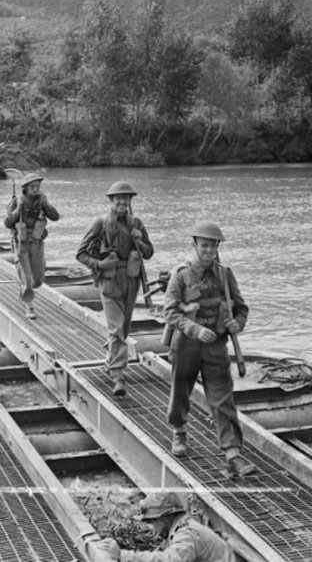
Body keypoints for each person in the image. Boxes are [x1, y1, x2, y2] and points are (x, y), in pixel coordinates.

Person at [164, 221, 255, 479]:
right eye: (204, 245)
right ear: (195, 246)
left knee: (223, 398)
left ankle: (232, 454)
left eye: (213, 246)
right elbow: (170, 312)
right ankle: (179, 432)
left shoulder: (225, 275)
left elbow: (241, 308)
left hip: (216, 346)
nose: (209, 251)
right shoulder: (181, 275)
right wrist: (193, 329)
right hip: (187, 345)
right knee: (180, 391)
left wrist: (237, 323)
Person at [76, 181, 153, 397]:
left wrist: (140, 241)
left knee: (124, 328)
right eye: (118, 198)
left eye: (126, 198)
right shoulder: (100, 223)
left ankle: (111, 360)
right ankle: (118, 376)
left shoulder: (136, 223)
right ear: (111, 200)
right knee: (117, 328)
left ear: (130, 201)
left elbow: (149, 252)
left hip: (131, 280)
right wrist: (99, 265)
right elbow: (81, 254)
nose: (122, 202)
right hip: (109, 282)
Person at [98, 491, 235, 561]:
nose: (152, 528)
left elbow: (168, 560)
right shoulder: (181, 527)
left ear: (164, 519)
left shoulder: (187, 534)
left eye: (152, 522)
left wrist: (123, 555)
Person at [4, 173, 60, 319]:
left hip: (36, 243)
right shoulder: (17, 201)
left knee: (39, 278)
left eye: (37, 186)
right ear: (25, 188)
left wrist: (46, 204)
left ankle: (25, 288)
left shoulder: (42, 201)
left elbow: (55, 217)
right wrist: (18, 210)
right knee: (27, 279)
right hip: (21, 243)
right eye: (32, 187)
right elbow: (7, 222)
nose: (35, 189)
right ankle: (29, 307)